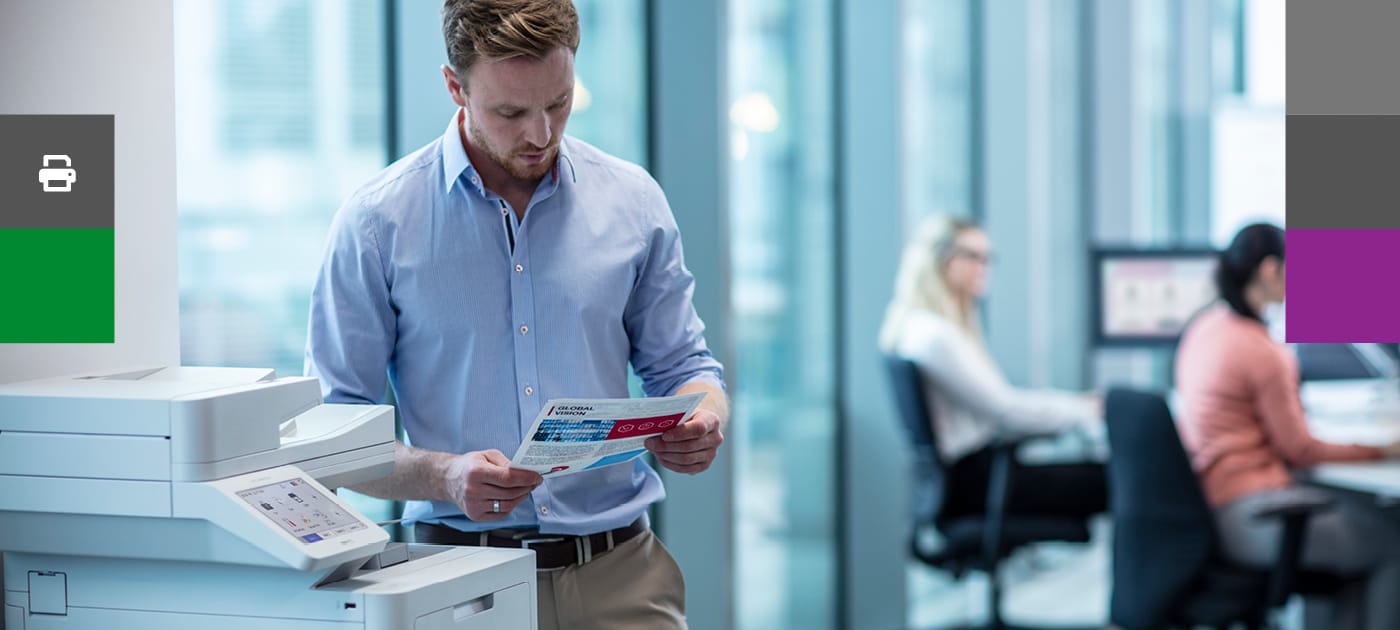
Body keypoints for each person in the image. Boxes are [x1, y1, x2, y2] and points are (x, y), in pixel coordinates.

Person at [303, 1, 728, 628]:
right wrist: (445, 477)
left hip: (623, 578)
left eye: (559, 102)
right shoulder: (377, 224)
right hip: (453, 589)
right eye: (510, 112)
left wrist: (703, 418)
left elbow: (686, 366)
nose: (539, 134)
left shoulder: (634, 201)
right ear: (455, 85)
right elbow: (331, 432)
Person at [1175, 223, 1400, 630]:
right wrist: (1387, 449)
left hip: (1212, 505)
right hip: (1257, 515)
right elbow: (1301, 450)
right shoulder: (1261, 350)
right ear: (1269, 270)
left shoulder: (1204, 329)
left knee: (1354, 534)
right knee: (1391, 540)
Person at [879, 215, 1105, 523]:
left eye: (988, 258)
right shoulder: (936, 337)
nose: (983, 267)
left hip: (967, 479)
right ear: (942, 260)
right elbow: (1005, 410)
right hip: (977, 484)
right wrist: (1085, 409)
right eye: (973, 256)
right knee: (1113, 480)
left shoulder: (920, 329)